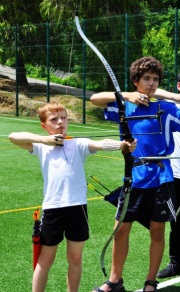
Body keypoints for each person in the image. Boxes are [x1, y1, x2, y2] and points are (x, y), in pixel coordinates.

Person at [90, 57, 180, 292]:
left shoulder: (164, 108)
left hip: (161, 179)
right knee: (120, 230)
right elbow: (95, 99)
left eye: (155, 79)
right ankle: (115, 281)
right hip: (134, 177)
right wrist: (126, 95)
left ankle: (151, 281)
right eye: (146, 79)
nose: (152, 84)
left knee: (157, 231)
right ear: (136, 81)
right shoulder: (126, 106)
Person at [8, 101, 137, 292]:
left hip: (77, 208)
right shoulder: (41, 146)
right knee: (45, 259)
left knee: (75, 258)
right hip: (53, 209)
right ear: (44, 125)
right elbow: (13, 136)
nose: (60, 122)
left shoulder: (77, 144)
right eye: (54, 119)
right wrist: (45, 140)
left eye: (64, 118)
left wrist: (122, 144)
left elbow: (100, 144)